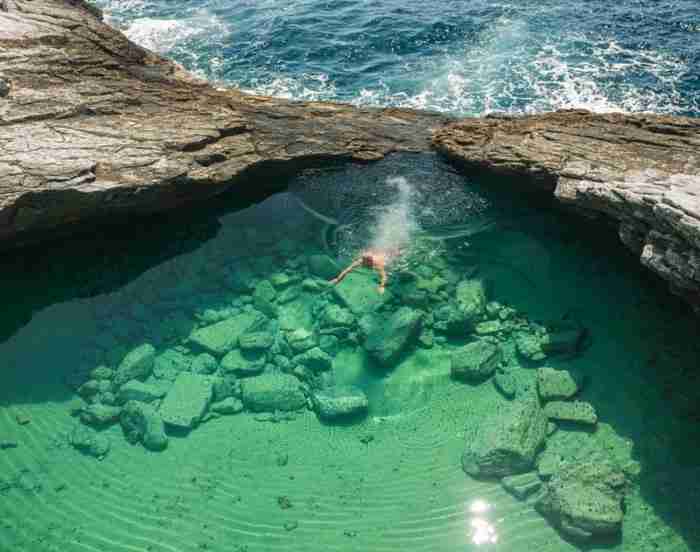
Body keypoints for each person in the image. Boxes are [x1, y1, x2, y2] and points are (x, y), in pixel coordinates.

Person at [330, 248, 400, 294]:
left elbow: (384, 276)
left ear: (370, 261)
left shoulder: (377, 264)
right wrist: (337, 279)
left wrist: (381, 286)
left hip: (384, 257)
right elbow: (347, 270)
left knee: (394, 254)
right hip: (377, 255)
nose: (363, 262)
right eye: (363, 260)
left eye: (366, 261)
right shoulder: (360, 262)